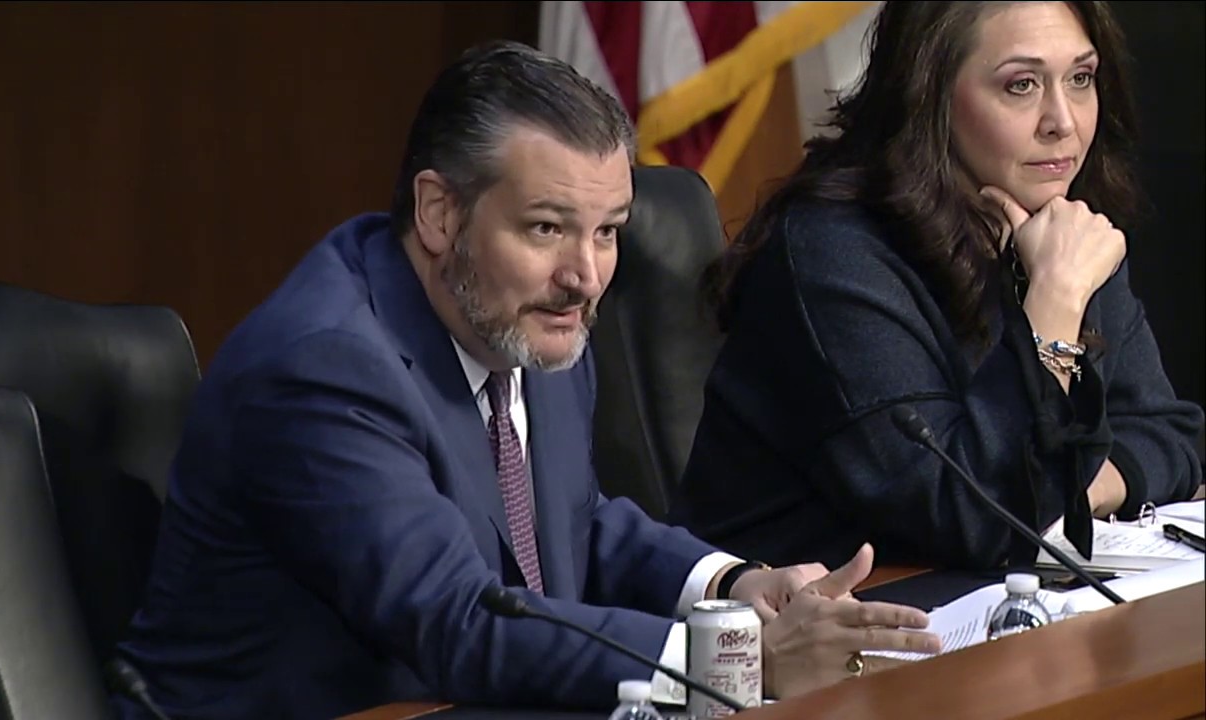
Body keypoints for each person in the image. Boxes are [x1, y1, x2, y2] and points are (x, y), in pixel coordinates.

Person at [111, 40, 939, 720]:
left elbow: (571, 524)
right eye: (547, 228)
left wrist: (732, 587)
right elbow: (458, 620)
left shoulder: (520, 316)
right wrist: (737, 658)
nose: (586, 276)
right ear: (439, 213)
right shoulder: (324, 368)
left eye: (607, 232)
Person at [672, 1, 1204, 573]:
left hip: (986, 593)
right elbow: (973, 516)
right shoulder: (833, 251)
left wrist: (1068, 490)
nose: (1064, 122)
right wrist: (1053, 302)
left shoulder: (1064, 224)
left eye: (1080, 78)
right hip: (819, 609)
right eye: (1021, 85)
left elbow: (1171, 435)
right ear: (931, 95)